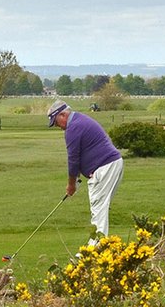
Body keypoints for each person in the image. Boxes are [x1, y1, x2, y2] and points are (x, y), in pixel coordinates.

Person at [47, 99, 124, 246]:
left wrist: (71, 185)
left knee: (98, 207)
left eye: (56, 123)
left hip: (105, 167)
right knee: (100, 206)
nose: (58, 127)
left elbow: (73, 159)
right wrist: (76, 178)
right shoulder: (79, 120)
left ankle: (95, 248)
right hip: (112, 164)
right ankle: (99, 245)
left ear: (63, 115)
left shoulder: (73, 128)